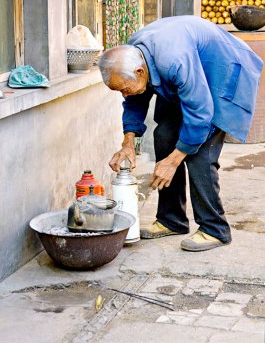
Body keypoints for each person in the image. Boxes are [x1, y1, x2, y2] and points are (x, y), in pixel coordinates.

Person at [98, 15, 263, 252]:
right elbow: (134, 99)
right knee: (164, 136)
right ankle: (171, 220)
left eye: (124, 89)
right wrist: (128, 142)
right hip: (187, 80)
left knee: (199, 153)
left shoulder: (174, 61)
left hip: (222, 70)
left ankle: (215, 228)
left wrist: (174, 161)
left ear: (140, 71)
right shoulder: (135, 54)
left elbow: (200, 115)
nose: (124, 95)